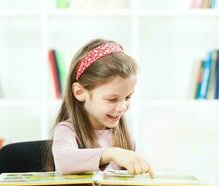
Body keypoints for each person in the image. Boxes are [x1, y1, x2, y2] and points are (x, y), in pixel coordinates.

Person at [43, 39, 154, 177]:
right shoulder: (66, 130)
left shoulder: (124, 134)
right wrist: (111, 153)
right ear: (80, 92)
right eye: (112, 99)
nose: (122, 107)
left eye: (128, 97)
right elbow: (65, 161)